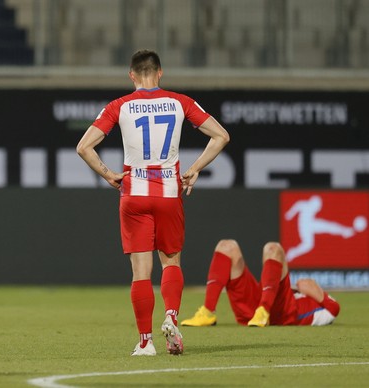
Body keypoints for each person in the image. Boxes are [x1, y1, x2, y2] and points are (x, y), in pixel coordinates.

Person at [76, 50, 230, 356]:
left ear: (131, 75)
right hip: (169, 190)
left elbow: (84, 147)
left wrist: (108, 174)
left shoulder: (119, 106)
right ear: (160, 73)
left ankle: (145, 341)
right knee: (171, 261)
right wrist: (196, 167)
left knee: (140, 272)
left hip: (133, 191)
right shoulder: (179, 102)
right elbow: (221, 136)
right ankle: (171, 317)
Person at [181, 239, 340, 327]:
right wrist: (306, 286)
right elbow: (305, 284)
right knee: (226, 246)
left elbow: (334, 308)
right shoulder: (303, 291)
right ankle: (208, 312)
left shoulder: (318, 310)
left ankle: (264, 310)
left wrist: (309, 288)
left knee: (274, 248)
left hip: (281, 313)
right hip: (253, 310)